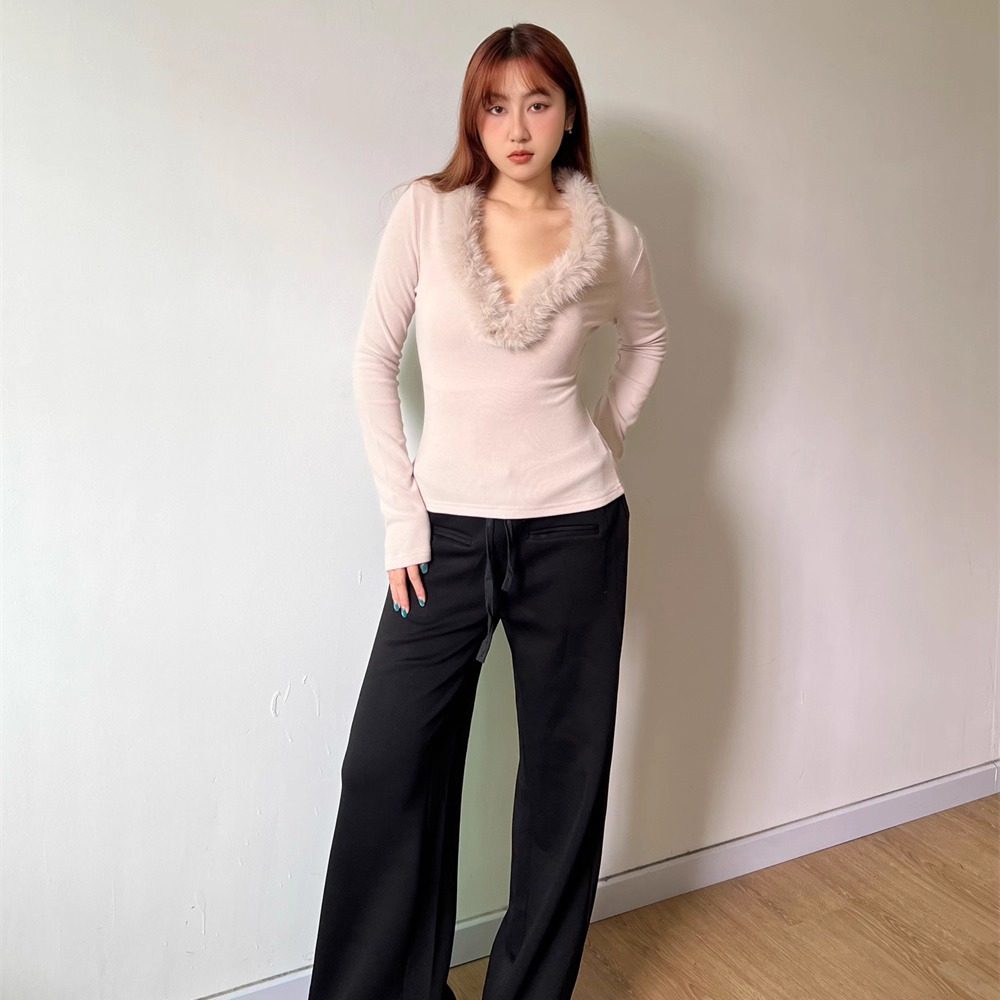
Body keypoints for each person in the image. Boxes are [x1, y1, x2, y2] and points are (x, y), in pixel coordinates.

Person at [307, 21, 669, 1000]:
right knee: (384, 767)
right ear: (473, 116)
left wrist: (605, 434)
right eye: (496, 105)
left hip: (576, 530)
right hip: (445, 535)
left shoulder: (612, 241)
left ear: (567, 114)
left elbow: (648, 341)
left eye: (537, 103)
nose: (517, 127)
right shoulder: (426, 214)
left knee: (563, 779)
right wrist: (403, 518)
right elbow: (371, 360)